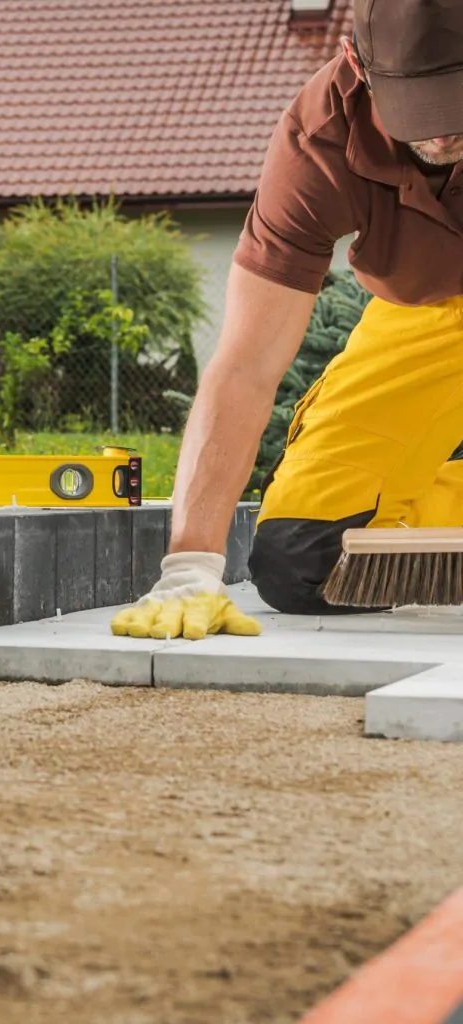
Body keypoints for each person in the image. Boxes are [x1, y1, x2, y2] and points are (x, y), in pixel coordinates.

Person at [112, 0, 463, 641]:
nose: (440, 138)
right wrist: (191, 566)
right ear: (362, 69)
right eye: (420, 112)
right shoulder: (320, 142)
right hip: (430, 311)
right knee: (304, 558)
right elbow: (245, 366)